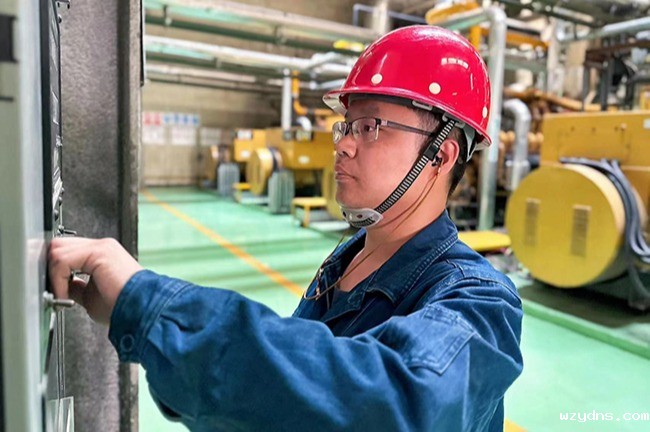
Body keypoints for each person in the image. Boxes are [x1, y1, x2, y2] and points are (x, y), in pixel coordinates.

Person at [49, 26, 523, 431]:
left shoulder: (480, 301)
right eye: (347, 126)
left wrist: (150, 307)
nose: (343, 145)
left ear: (440, 155)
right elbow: (291, 392)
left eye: (371, 127)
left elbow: (395, 403)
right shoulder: (348, 259)